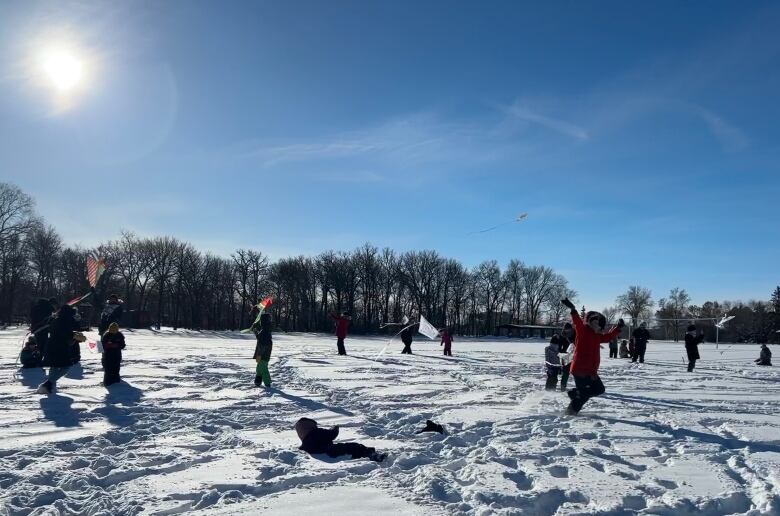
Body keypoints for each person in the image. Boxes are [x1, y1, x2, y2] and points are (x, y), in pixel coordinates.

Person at [561, 298, 624, 415]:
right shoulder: (583, 330)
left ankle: (574, 393)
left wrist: (618, 328)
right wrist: (573, 309)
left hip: (591, 371)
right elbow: (577, 321)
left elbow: (608, 336)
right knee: (584, 395)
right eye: (596, 324)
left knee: (599, 389)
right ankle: (570, 412)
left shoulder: (597, 336)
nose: (599, 327)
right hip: (580, 370)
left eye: (600, 326)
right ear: (590, 322)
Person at [37, 305, 85, 394]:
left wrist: (73, 335)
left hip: (52, 346)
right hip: (59, 347)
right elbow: (65, 334)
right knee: (65, 367)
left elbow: (62, 332)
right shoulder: (64, 321)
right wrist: (74, 337)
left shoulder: (56, 319)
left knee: (54, 367)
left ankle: (51, 387)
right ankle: (48, 384)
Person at [294, 418, 386, 462]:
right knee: (353, 446)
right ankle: (372, 455)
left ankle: (365, 455)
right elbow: (332, 434)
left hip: (324, 452)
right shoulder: (316, 432)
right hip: (330, 450)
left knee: (350, 449)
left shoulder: (305, 442)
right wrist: (335, 428)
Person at [101, 322, 126, 386]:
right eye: (112, 329)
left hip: (116, 355)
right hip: (107, 355)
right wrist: (109, 346)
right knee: (108, 369)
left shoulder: (120, 335)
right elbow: (102, 345)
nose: (113, 331)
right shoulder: (106, 335)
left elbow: (123, 345)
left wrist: (117, 345)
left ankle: (116, 381)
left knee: (116, 368)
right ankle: (107, 381)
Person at [252, 313, 274, 387]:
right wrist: (256, 332)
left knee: (263, 367)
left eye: (261, 320)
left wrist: (260, 354)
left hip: (263, 353)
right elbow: (260, 338)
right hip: (261, 353)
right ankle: (258, 381)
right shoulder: (265, 330)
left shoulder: (265, 330)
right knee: (259, 367)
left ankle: (267, 383)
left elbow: (263, 343)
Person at [559, 322, 576, 391]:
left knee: (576, 371)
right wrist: (561, 353)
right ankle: (563, 386)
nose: (568, 331)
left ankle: (580, 386)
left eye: (569, 329)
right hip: (566, 355)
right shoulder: (562, 335)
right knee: (566, 372)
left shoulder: (575, 334)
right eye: (566, 329)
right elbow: (559, 346)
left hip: (574, 354)